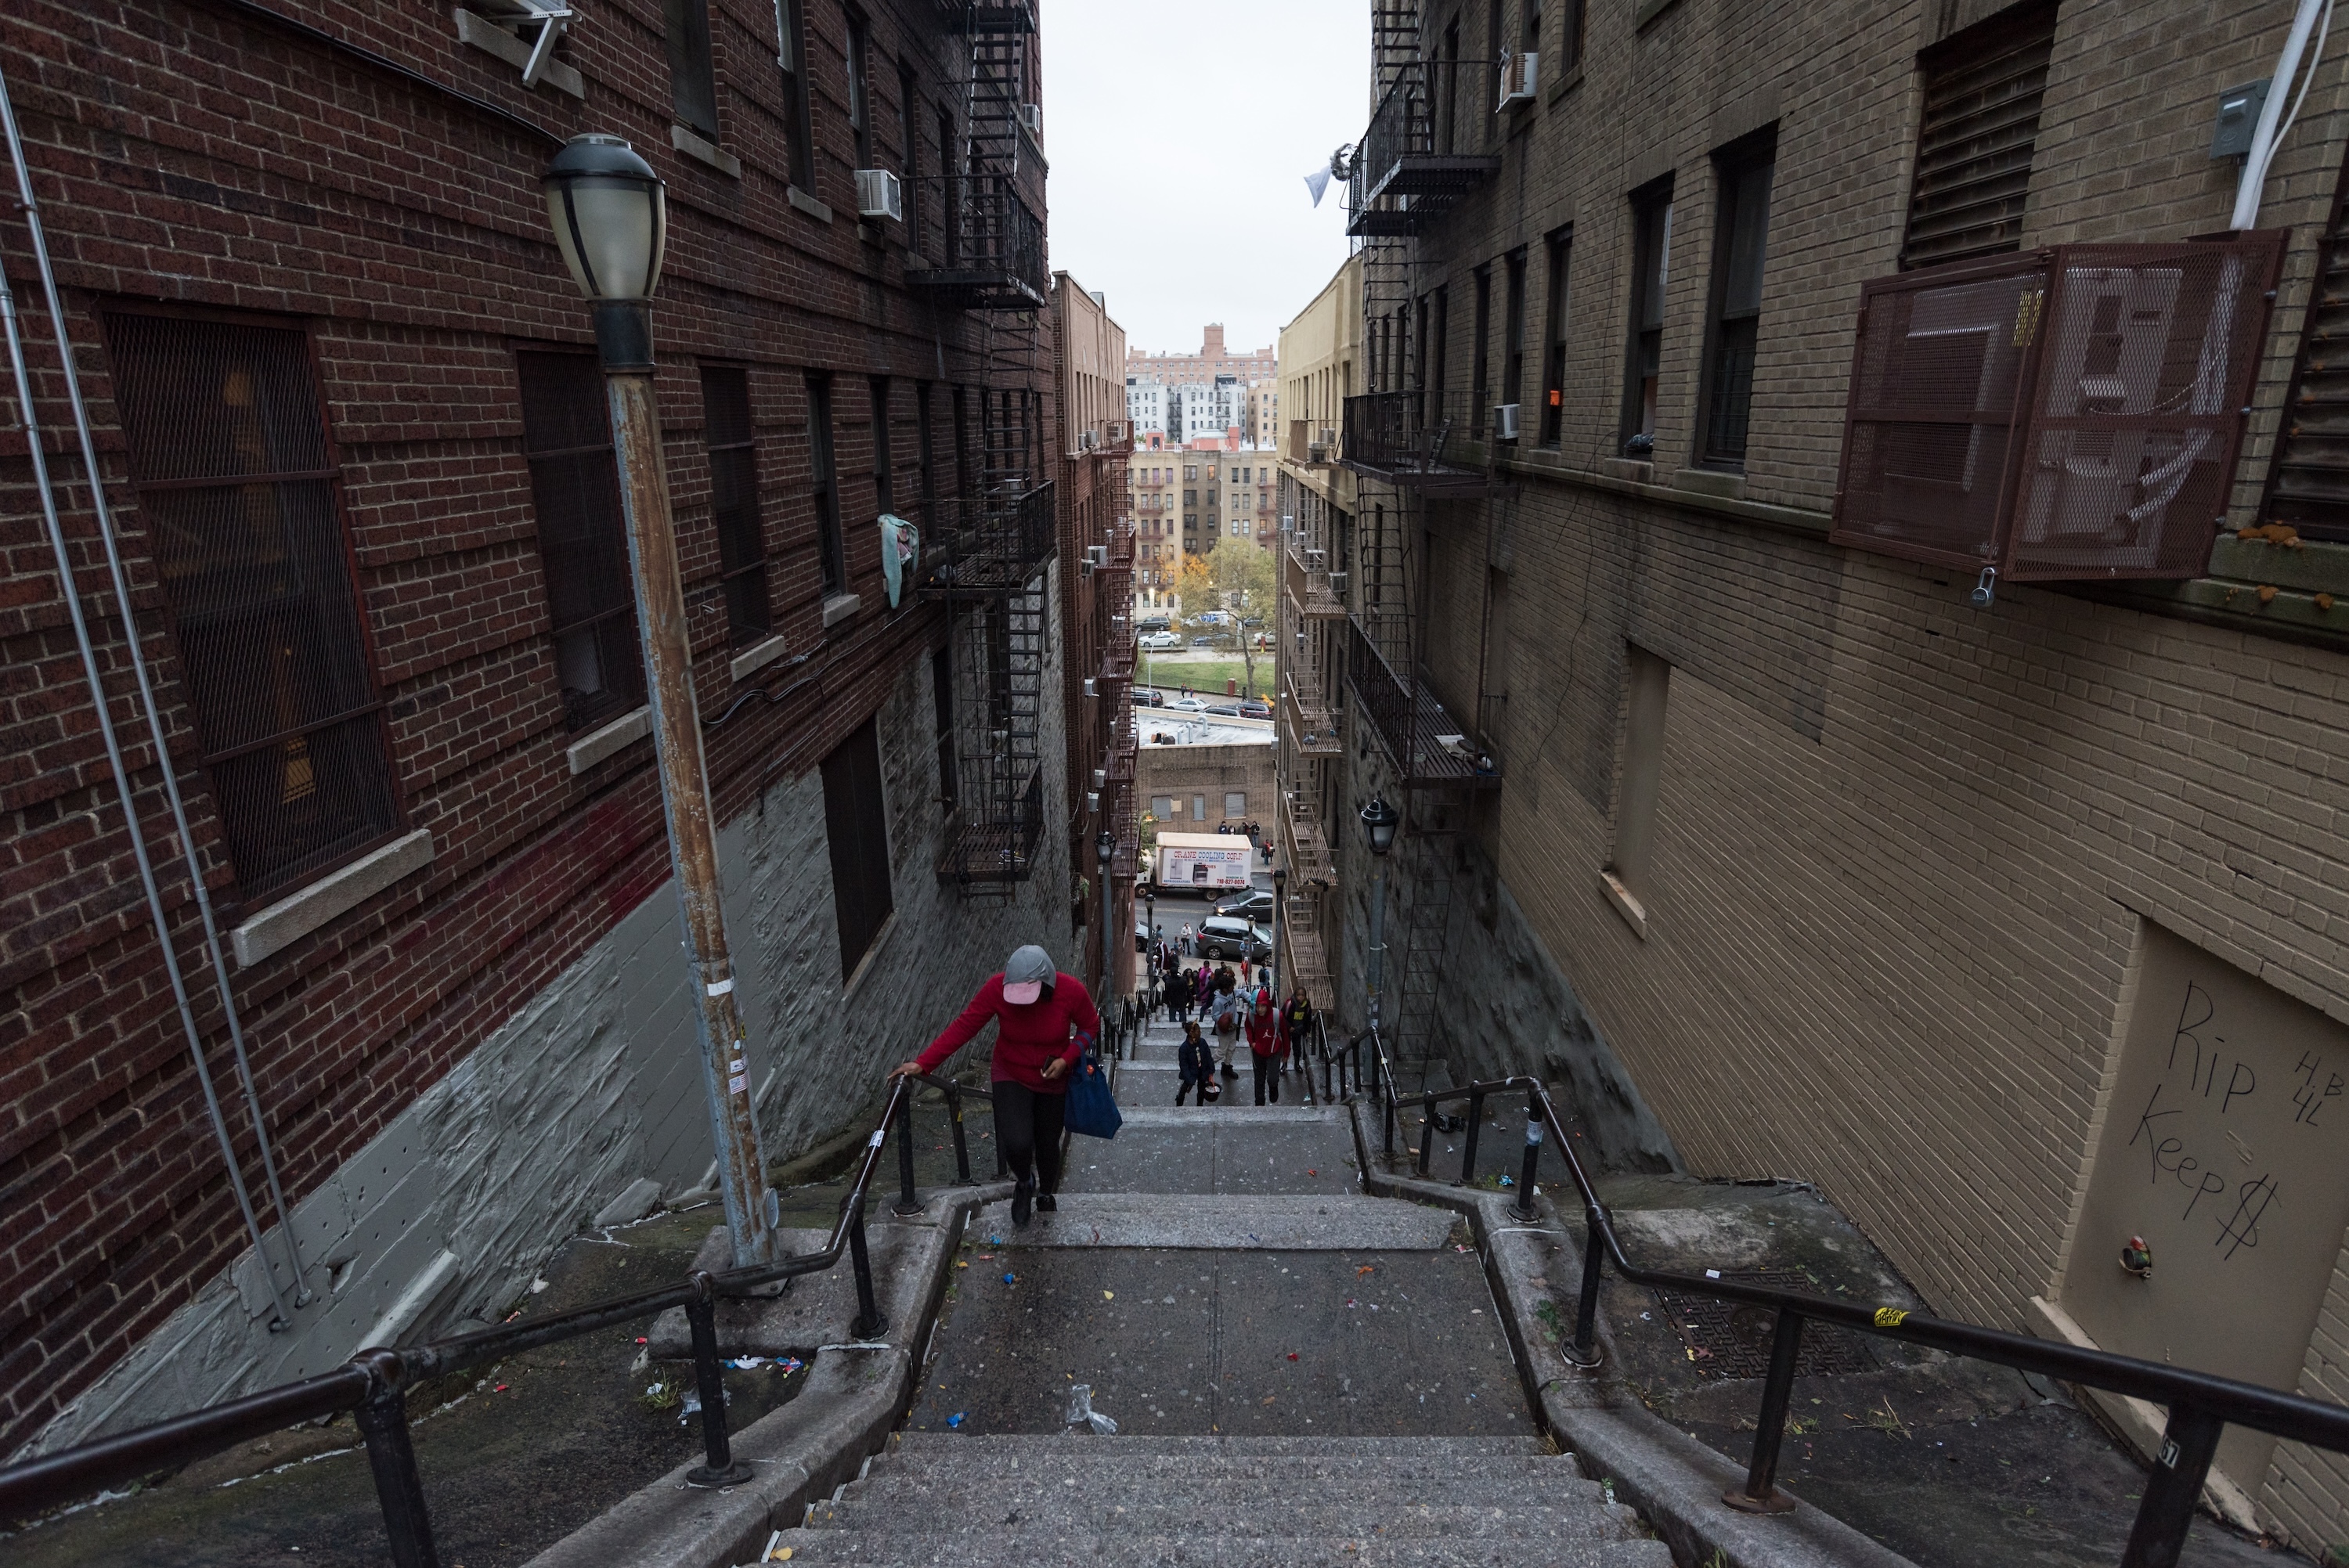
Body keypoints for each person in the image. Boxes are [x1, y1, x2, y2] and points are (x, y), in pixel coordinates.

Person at [895, 944, 1096, 1227]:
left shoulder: (1071, 990)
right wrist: (924, 1063)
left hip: (1053, 1077)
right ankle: (1024, 1183)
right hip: (1010, 1072)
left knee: (1048, 1143)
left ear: (1047, 983)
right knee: (1016, 1140)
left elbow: (1090, 1026)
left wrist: (1067, 1058)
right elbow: (965, 1026)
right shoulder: (996, 989)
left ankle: (1046, 1192)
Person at [1246, 984, 1283, 1105]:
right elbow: (1248, 1028)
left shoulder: (1277, 1015)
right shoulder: (1251, 1015)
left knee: (1272, 1078)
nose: (1260, 1009)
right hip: (1258, 1052)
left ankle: (1273, 1089)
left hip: (1274, 1051)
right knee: (1259, 1080)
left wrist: (1286, 1052)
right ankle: (1259, 1104)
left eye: (1263, 1006)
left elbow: (1285, 1035)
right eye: (1257, 1006)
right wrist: (1252, 1043)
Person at [1207, 965, 1241, 1079]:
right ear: (1225, 988)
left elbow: (1239, 993)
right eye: (1231, 986)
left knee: (1232, 1048)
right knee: (1222, 1051)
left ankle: (1227, 1067)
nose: (1233, 988)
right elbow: (1215, 1016)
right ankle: (1207, 1066)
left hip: (1233, 1027)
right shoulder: (1218, 1002)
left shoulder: (1230, 994)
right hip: (1224, 1030)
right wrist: (1224, 1018)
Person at [1279, 985, 1317, 1078]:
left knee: (1297, 1048)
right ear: (1295, 995)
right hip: (1288, 1030)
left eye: (1302, 995)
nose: (1300, 997)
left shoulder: (1307, 1005)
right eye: (1298, 995)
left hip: (1299, 1030)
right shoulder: (1290, 1004)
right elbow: (1282, 1016)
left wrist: (1307, 1030)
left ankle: (1297, 1064)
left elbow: (1308, 1018)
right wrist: (1289, 1026)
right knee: (1286, 1048)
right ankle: (1284, 1065)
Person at [1174, 1020, 1214, 1106]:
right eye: (1198, 1031)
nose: (1200, 1033)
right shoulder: (1184, 1048)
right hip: (1191, 1071)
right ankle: (1179, 1103)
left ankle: (1200, 1105)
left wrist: (1211, 1070)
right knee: (1184, 1088)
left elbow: (1208, 1056)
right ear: (1191, 1033)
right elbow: (1184, 1066)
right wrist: (1190, 1079)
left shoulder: (1202, 1042)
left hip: (1202, 1070)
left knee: (1201, 1090)